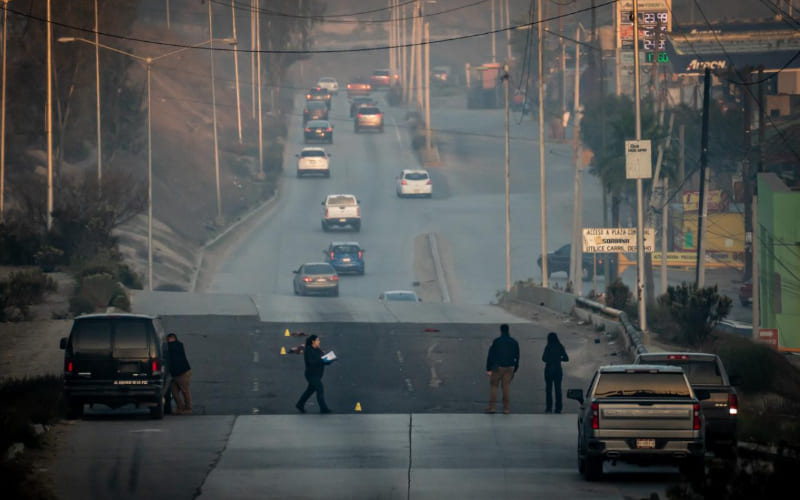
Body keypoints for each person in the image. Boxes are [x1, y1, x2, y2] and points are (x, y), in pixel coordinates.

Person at [485, 323, 520, 414]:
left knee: (494, 386)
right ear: (508, 330)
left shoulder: (496, 341)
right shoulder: (514, 342)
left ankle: (492, 407)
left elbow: (491, 355)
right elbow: (517, 356)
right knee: (506, 387)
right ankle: (506, 408)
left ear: (501, 331)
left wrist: (489, 368)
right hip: (510, 367)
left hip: (498, 367)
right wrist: (515, 367)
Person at [296, 335, 333, 414]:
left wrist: (330, 360)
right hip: (311, 375)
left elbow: (323, 360)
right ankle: (324, 409)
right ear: (313, 341)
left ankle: (300, 404)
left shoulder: (318, 350)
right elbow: (311, 362)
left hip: (318, 375)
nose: (319, 341)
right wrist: (322, 360)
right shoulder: (308, 350)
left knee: (310, 390)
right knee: (320, 389)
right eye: (318, 340)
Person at [541, 332, 569, 414]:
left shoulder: (548, 347)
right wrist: (559, 358)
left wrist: (550, 359)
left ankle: (549, 408)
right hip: (558, 370)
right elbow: (566, 358)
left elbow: (543, 358)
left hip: (548, 370)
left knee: (548, 390)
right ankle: (558, 408)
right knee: (558, 389)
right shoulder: (560, 346)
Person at [167, 333, 192, 415]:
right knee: (174, 391)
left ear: (174, 338)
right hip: (175, 373)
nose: (169, 340)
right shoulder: (173, 346)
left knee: (185, 391)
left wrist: (168, 343)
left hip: (182, 372)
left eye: (170, 338)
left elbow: (172, 348)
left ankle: (188, 408)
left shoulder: (177, 346)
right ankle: (180, 407)